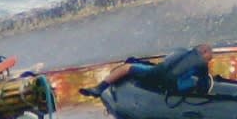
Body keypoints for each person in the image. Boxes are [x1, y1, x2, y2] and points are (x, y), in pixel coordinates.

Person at [79, 43, 213, 97]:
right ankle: (99, 89)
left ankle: (99, 88)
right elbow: (203, 86)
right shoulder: (201, 64)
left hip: (156, 74)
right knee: (190, 82)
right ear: (202, 51)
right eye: (209, 53)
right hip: (173, 86)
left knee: (127, 68)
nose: (211, 56)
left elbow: (166, 63)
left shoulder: (180, 51)